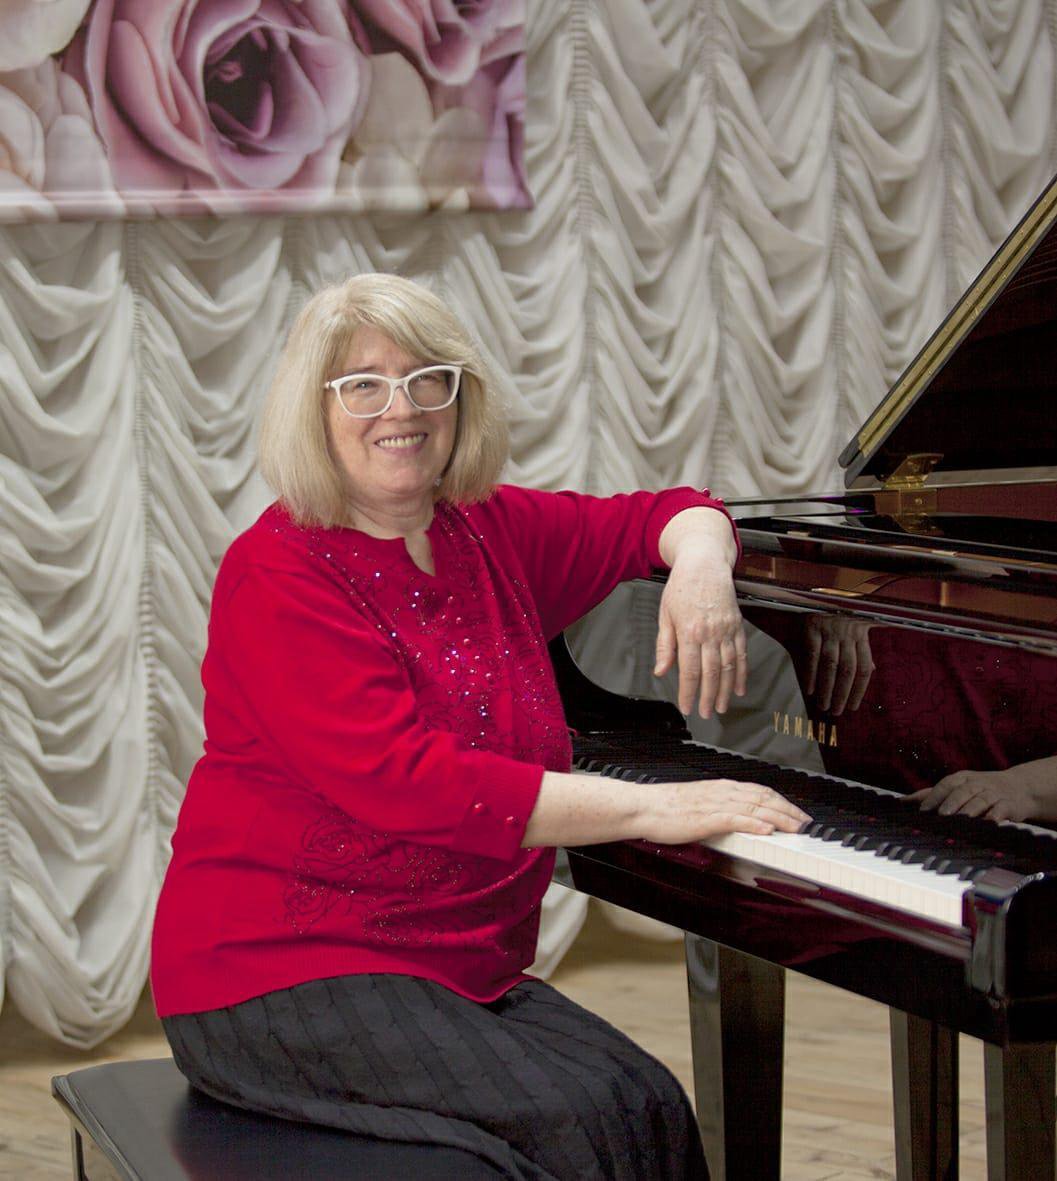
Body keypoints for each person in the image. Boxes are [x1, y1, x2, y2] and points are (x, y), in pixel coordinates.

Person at [150, 273, 809, 1181]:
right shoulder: (278, 571)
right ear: (315, 409)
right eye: (362, 384)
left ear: (461, 397)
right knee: (579, 1123)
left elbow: (660, 515)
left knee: (645, 1102)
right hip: (277, 967)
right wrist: (655, 808)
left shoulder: (486, 530)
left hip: (450, 960)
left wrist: (701, 565)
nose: (401, 407)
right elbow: (409, 782)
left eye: (427, 379)